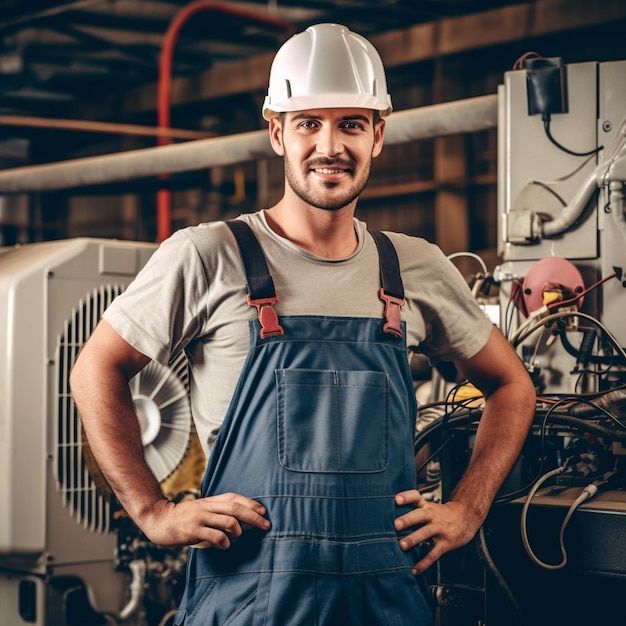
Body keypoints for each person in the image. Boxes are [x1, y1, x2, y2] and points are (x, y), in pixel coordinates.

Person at [70, 23, 536, 625]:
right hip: (247, 596)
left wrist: (469, 508)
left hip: (385, 600)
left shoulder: (414, 266)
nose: (330, 145)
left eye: (352, 124)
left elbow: (512, 386)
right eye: (309, 123)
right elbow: (95, 369)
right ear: (277, 133)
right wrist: (153, 512)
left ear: (378, 135)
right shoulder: (207, 254)